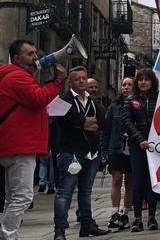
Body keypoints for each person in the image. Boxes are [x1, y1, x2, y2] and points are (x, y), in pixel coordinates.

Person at [0, 40, 65, 240]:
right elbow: (38, 97)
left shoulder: (13, 76)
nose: (35, 57)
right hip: (21, 144)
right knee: (24, 196)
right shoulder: (17, 77)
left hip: (14, 144)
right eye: (30, 54)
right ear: (17, 58)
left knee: (12, 197)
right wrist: (57, 81)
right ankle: (7, 235)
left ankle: (9, 233)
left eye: (35, 52)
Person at [53, 66, 110, 239]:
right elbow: (67, 122)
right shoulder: (62, 100)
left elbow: (102, 121)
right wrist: (83, 123)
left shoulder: (93, 101)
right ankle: (60, 230)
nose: (82, 81)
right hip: (70, 152)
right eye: (78, 78)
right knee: (64, 191)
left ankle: (87, 225)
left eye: (84, 78)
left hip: (90, 153)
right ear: (71, 82)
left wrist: (84, 123)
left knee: (86, 191)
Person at [121, 68, 160, 232]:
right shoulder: (130, 100)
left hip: (155, 146)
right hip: (137, 146)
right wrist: (140, 139)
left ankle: (152, 217)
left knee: (153, 182)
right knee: (137, 181)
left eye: (147, 79)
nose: (143, 82)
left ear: (152, 81)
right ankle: (137, 218)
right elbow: (127, 121)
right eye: (140, 79)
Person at [100, 77, 134, 231]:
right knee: (116, 179)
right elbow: (106, 129)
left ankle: (125, 212)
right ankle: (114, 212)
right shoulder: (114, 107)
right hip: (116, 147)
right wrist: (104, 149)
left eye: (129, 85)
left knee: (130, 182)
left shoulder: (137, 105)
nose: (126, 87)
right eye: (124, 85)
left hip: (132, 148)